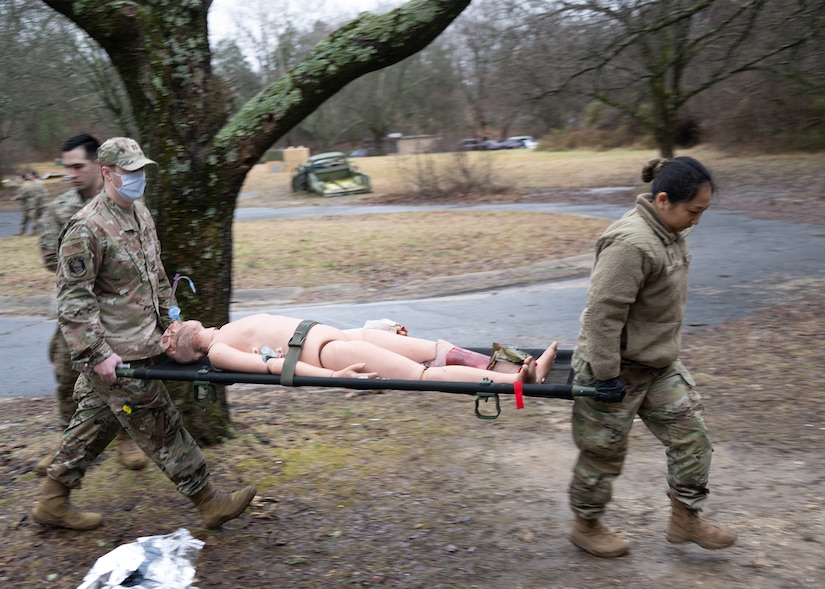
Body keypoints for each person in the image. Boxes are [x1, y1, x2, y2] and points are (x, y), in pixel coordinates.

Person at [32, 137, 256, 531]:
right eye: (129, 171)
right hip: (117, 354)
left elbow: (156, 275)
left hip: (146, 342)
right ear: (107, 173)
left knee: (93, 423)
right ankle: (208, 501)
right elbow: (72, 301)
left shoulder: (139, 214)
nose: (138, 178)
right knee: (161, 424)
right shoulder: (86, 228)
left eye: (141, 170)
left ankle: (52, 501)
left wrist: (172, 320)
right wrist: (97, 354)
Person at [566, 156, 737, 558]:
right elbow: (603, 314)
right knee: (603, 454)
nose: (697, 220)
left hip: (658, 366)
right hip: (613, 370)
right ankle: (585, 526)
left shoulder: (669, 231)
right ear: (663, 200)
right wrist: (605, 375)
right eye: (694, 211)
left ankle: (685, 518)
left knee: (693, 439)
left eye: (703, 211)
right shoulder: (631, 244)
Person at [34, 134, 148, 475]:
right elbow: (48, 256)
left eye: (78, 166)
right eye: (67, 167)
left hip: (120, 310)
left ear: (99, 168)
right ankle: (68, 443)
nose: (71, 174)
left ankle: (126, 438)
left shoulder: (123, 201)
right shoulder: (59, 209)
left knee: (123, 378)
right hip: (78, 310)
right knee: (66, 374)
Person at [161, 314, 559, 385]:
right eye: (175, 333)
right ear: (189, 352)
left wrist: (374, 328)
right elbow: (271, 367)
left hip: (342, 336)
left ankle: (521, 368)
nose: (177, 327)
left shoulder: (229, 326)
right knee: (422, 374)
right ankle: (515, 384)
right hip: (328, 354)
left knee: (437, 349)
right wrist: (334, 376)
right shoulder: (217, 353)